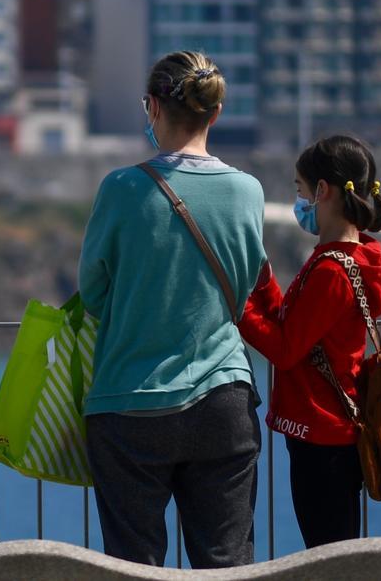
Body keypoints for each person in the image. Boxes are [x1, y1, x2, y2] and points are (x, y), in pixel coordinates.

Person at [78, 51, 267, 568]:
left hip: (130, 400)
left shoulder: (121, 188)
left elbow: (92, 292)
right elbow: (247, 285)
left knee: (134, 565)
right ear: (216, 112)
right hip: (223, 396)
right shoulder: (247, 191)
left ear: (152, 107)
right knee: (226, 564)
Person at [236, 135, 381, 549]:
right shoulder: (349, 258)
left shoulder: (331, 270)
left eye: (300, 190)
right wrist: (265, 284)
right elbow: (297, 324)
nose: (300, 202)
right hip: (331, 430)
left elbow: (287, 349)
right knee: (333, 548)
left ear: (322, 191)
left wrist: (238, 310)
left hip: (320, 430)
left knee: (327, 555)